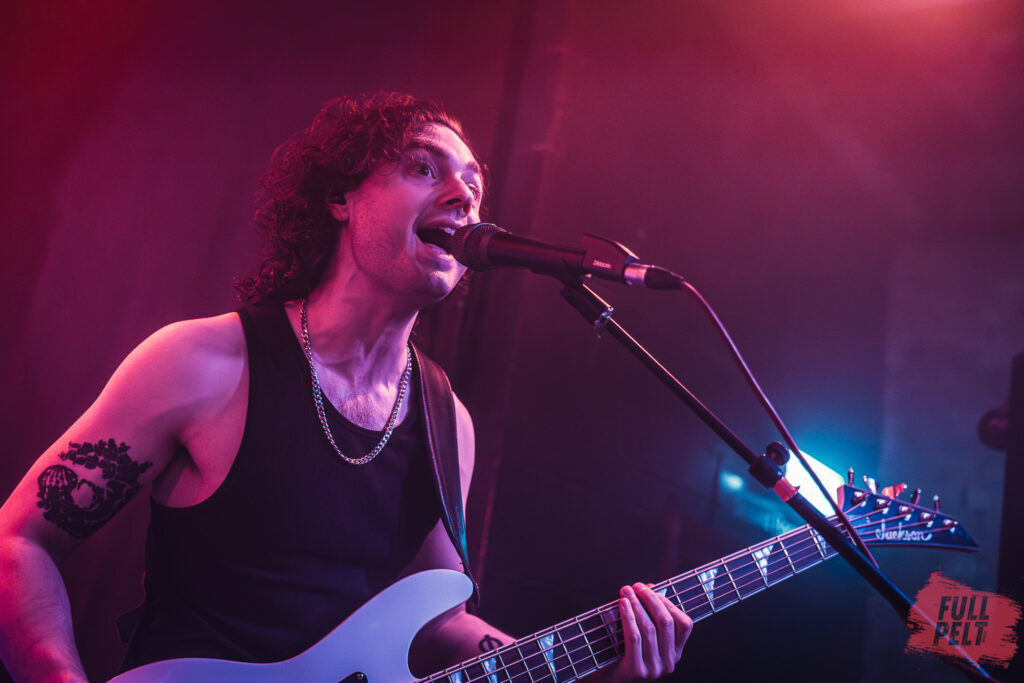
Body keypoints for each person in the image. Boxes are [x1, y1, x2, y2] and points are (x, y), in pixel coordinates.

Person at [0, 93, 691, 682]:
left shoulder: (447, 420)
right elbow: (20, 541)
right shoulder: (206, 362)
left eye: (474, 187)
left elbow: (436, 623)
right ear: (340, 197)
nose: (464, 198)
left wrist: (592, 658)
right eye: (423, 167)